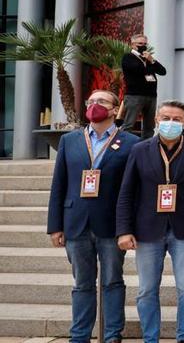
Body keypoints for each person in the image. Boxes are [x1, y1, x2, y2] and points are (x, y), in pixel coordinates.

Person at [115, 100, 184, 343]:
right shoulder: (140, 149)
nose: (171, 123)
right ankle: (151, 338)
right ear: (157, 121)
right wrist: (124, 230)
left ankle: (183, 337)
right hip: (147, 229)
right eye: (166, 118)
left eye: (177, 119)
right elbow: (127, 192)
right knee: (147, 290)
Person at [47, 90, 139, 343]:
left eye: (101, 102)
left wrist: (127, 227)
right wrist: (55, 226)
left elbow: (132, 189)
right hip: (75, 222)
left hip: (111, 224)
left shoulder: (131, 143)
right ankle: (79, 336)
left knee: (112, 281)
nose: (94, 106)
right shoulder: (70, 140)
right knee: (82, 284)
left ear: (115, 109)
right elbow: (59, 184)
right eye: (90, 102)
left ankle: (112, 335)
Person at [120, 34, 167, 139]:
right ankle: (121, 146)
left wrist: (152, 60)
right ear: (132, 45)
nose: (143, 46)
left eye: (145, 44)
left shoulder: (148, 59)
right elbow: (138, 70)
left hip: (151, 95)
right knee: (128, 124)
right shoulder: (128, 57)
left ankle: (146, 147)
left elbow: (163, 71)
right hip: (135, 96)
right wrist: (149, 65)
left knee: (149, 126)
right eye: (140, 44)